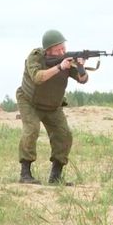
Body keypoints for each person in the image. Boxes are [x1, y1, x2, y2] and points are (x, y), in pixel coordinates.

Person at [15, 30, 88, 186]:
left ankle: (56, 176)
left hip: (53, 105)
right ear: (48, 50)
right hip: (29, 102)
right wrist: (60, 67)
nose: (62, 52)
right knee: (32, 130)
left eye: (63, 48)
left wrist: (81, 67)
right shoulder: (35, 57)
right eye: (58, 50)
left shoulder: (68, 61)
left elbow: (83, 80)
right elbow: (37, 77)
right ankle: (25, 173)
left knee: (64, 134)